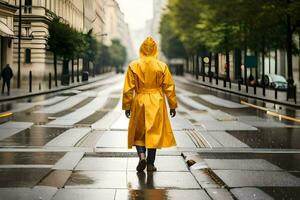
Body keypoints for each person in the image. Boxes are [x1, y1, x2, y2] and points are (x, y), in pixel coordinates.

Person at [122, 36, 177, 172]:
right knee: (154, 133)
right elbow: (169, 87)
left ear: (141, 49)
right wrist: (172, 105)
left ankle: (142, 156)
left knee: (139, 133)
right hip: (156, 101)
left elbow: (128, 89)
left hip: (140, 100)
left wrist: (127, 106)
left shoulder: (133, 65)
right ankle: (151, 164)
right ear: (155, 49)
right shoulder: (162, 66)